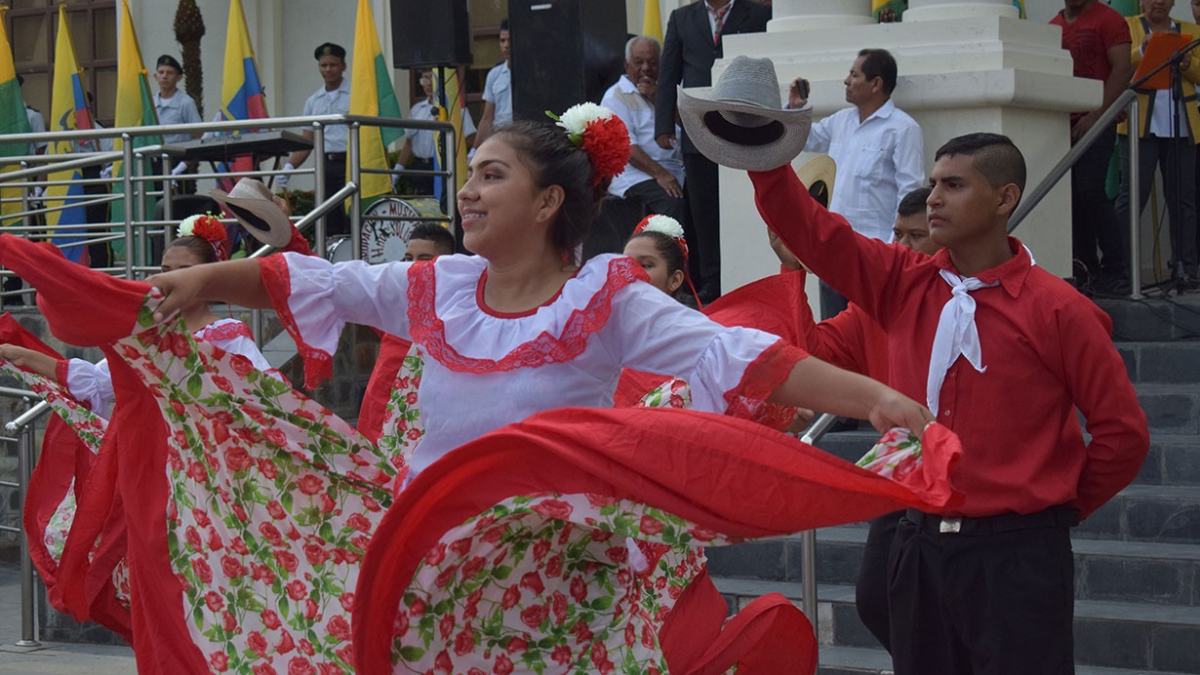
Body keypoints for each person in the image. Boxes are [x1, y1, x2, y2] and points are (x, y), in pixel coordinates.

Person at [745, 132, 1149, 675]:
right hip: (918, 545)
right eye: (934, 183)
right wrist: (762, 157)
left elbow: (1122, 434)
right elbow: (815, 233)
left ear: (1005, 198)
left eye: (953, 185)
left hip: (1018, 556)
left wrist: (1054, 509)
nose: (934, 197)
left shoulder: (1060, 310)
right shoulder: (902, 283)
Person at [771, 185, 937, 654]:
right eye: (896, 234)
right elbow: (812, 353)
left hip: (955, 472)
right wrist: (792, 269)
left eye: (916, 237)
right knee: (876, 599)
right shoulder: (873, 307)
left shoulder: (959, 300)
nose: (900, 247)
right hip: (901, 468)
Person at [788, 48, 925, 318]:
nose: (846, 81)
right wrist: (795, 109)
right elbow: (805, 138)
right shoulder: (841, 121)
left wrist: (893, 250)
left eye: (854, 74)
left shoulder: (903, 128)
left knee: (870, 336)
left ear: (876, 83)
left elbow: (910, 192)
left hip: (874, 254)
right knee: (833, 333)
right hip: (834, 249)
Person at [656, 0, 771, 303]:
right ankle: (712, 280)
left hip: (743, 125)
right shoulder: (682, 18)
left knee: (743, 201)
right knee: (704, 211)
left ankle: (750, 270)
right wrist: (663, 124)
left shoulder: (758, 13)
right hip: (698, 128)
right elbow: (669, 72)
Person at [1051, 0, 1135, 294]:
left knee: (1091, 190)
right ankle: (1086, 267)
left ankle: (1116, 269)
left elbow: (1123, 68)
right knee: (1071, 195)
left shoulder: (1109, 19)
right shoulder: (1053, 27)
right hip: (1061, 122)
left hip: (1097, 121)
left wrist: (1097, 114)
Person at [1117, 0, 1200, 291]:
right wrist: (1144, 50)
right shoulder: (1128, 26)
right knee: (1131, 200)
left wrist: (1189, 65)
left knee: (1185, 202)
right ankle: (1125, 270)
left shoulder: (1189, 31)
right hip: (1140, 126)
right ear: (1142, 1)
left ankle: (1186, 269)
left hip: (1182, 127)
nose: (1159, 2)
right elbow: (1118, 65)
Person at [602, 36, 685, 224]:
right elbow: (627, 148)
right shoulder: (615, 96)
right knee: (672, 204)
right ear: (627, 65)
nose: (646, 68)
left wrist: (659, 98)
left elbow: (687, 126)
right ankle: (667, 253)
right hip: (638, 174)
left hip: (676, 170)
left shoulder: (671, 92)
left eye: (652, 62)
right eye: (638, 62)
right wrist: (661, 174)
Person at [278, 43, 351, 237]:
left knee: (352, 216)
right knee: (328, 217)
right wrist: (290, 167)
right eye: (323, 65)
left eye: (333, 65)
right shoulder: (313, 101)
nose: (328, 69)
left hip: (351, 162)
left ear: (343, 66)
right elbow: (307, 140)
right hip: (325, 164)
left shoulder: (355, 95)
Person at [396, 69, 477, 196]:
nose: (427, 84)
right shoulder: (417, 110)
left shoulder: (456, 108)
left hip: (445, 165)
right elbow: (409, 144)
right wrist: (397, 171)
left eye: (430, 78)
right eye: (424, 80)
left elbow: (470, 138)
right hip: (421, 168)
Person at [152, 55, 202, 191]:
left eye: (170, 73)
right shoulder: (150, 104)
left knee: (179, 208)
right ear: (155, 76)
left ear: (179, 77)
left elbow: (197, 137)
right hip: (154, 163)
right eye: (161, 72)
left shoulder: (186, 103)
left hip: (178, 164)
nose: (164, 76)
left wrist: (180, 168)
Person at [474, 19, 512, 148]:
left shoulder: (533, 72)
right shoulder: (494, 75)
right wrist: (475, 150)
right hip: (501, 141)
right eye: (502, 41)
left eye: (509, 40)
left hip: (526, 139)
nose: (506, 45)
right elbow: (487, 118)